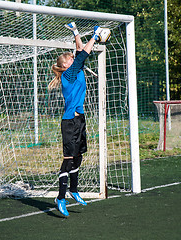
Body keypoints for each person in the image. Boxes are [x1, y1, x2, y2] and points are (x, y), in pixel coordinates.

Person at [48, 22, 103, 217]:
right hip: (69, 122)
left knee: (79, 156)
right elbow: (83, 54)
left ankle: (74, 190)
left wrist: (76, 32)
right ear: (65, 66)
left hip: (80, 121)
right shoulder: (69, 75)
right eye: (71, 59)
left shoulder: (77, 70)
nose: (74, 58)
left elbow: (80, 51)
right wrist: (94, 37)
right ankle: (61, 198)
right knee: (69, 160)